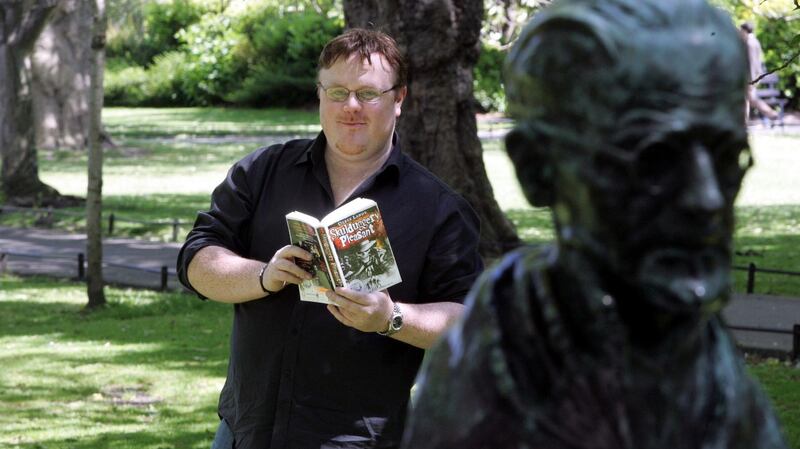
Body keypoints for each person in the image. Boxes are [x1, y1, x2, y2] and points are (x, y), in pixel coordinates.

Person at [401, 0, 788, 448]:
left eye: (725, 158)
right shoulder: (495, 377)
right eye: (656, 161)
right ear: (538, 169)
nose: (706, 199)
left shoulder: (699, 354)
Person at [176, 29, 483, 449]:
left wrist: (389, 318)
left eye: (368, 93)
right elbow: (195, 262)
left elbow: (468, 322)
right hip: (245, 432)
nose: (351, 107)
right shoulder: (263, 172)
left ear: (399, 98)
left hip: (357, 441)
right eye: (337, 91)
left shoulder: (438, 208)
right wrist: (263, 275)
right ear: (320, 94)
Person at [740, 21, 779, 122]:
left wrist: (751, 80)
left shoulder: (750, 43)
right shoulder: (754, 41)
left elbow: (752, 63)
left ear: (745, 30)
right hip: (755, 75)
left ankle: (771, 114)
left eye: (741, 30)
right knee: (748, 99)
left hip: (751, 76)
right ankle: (771, 114)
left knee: (749, 99)